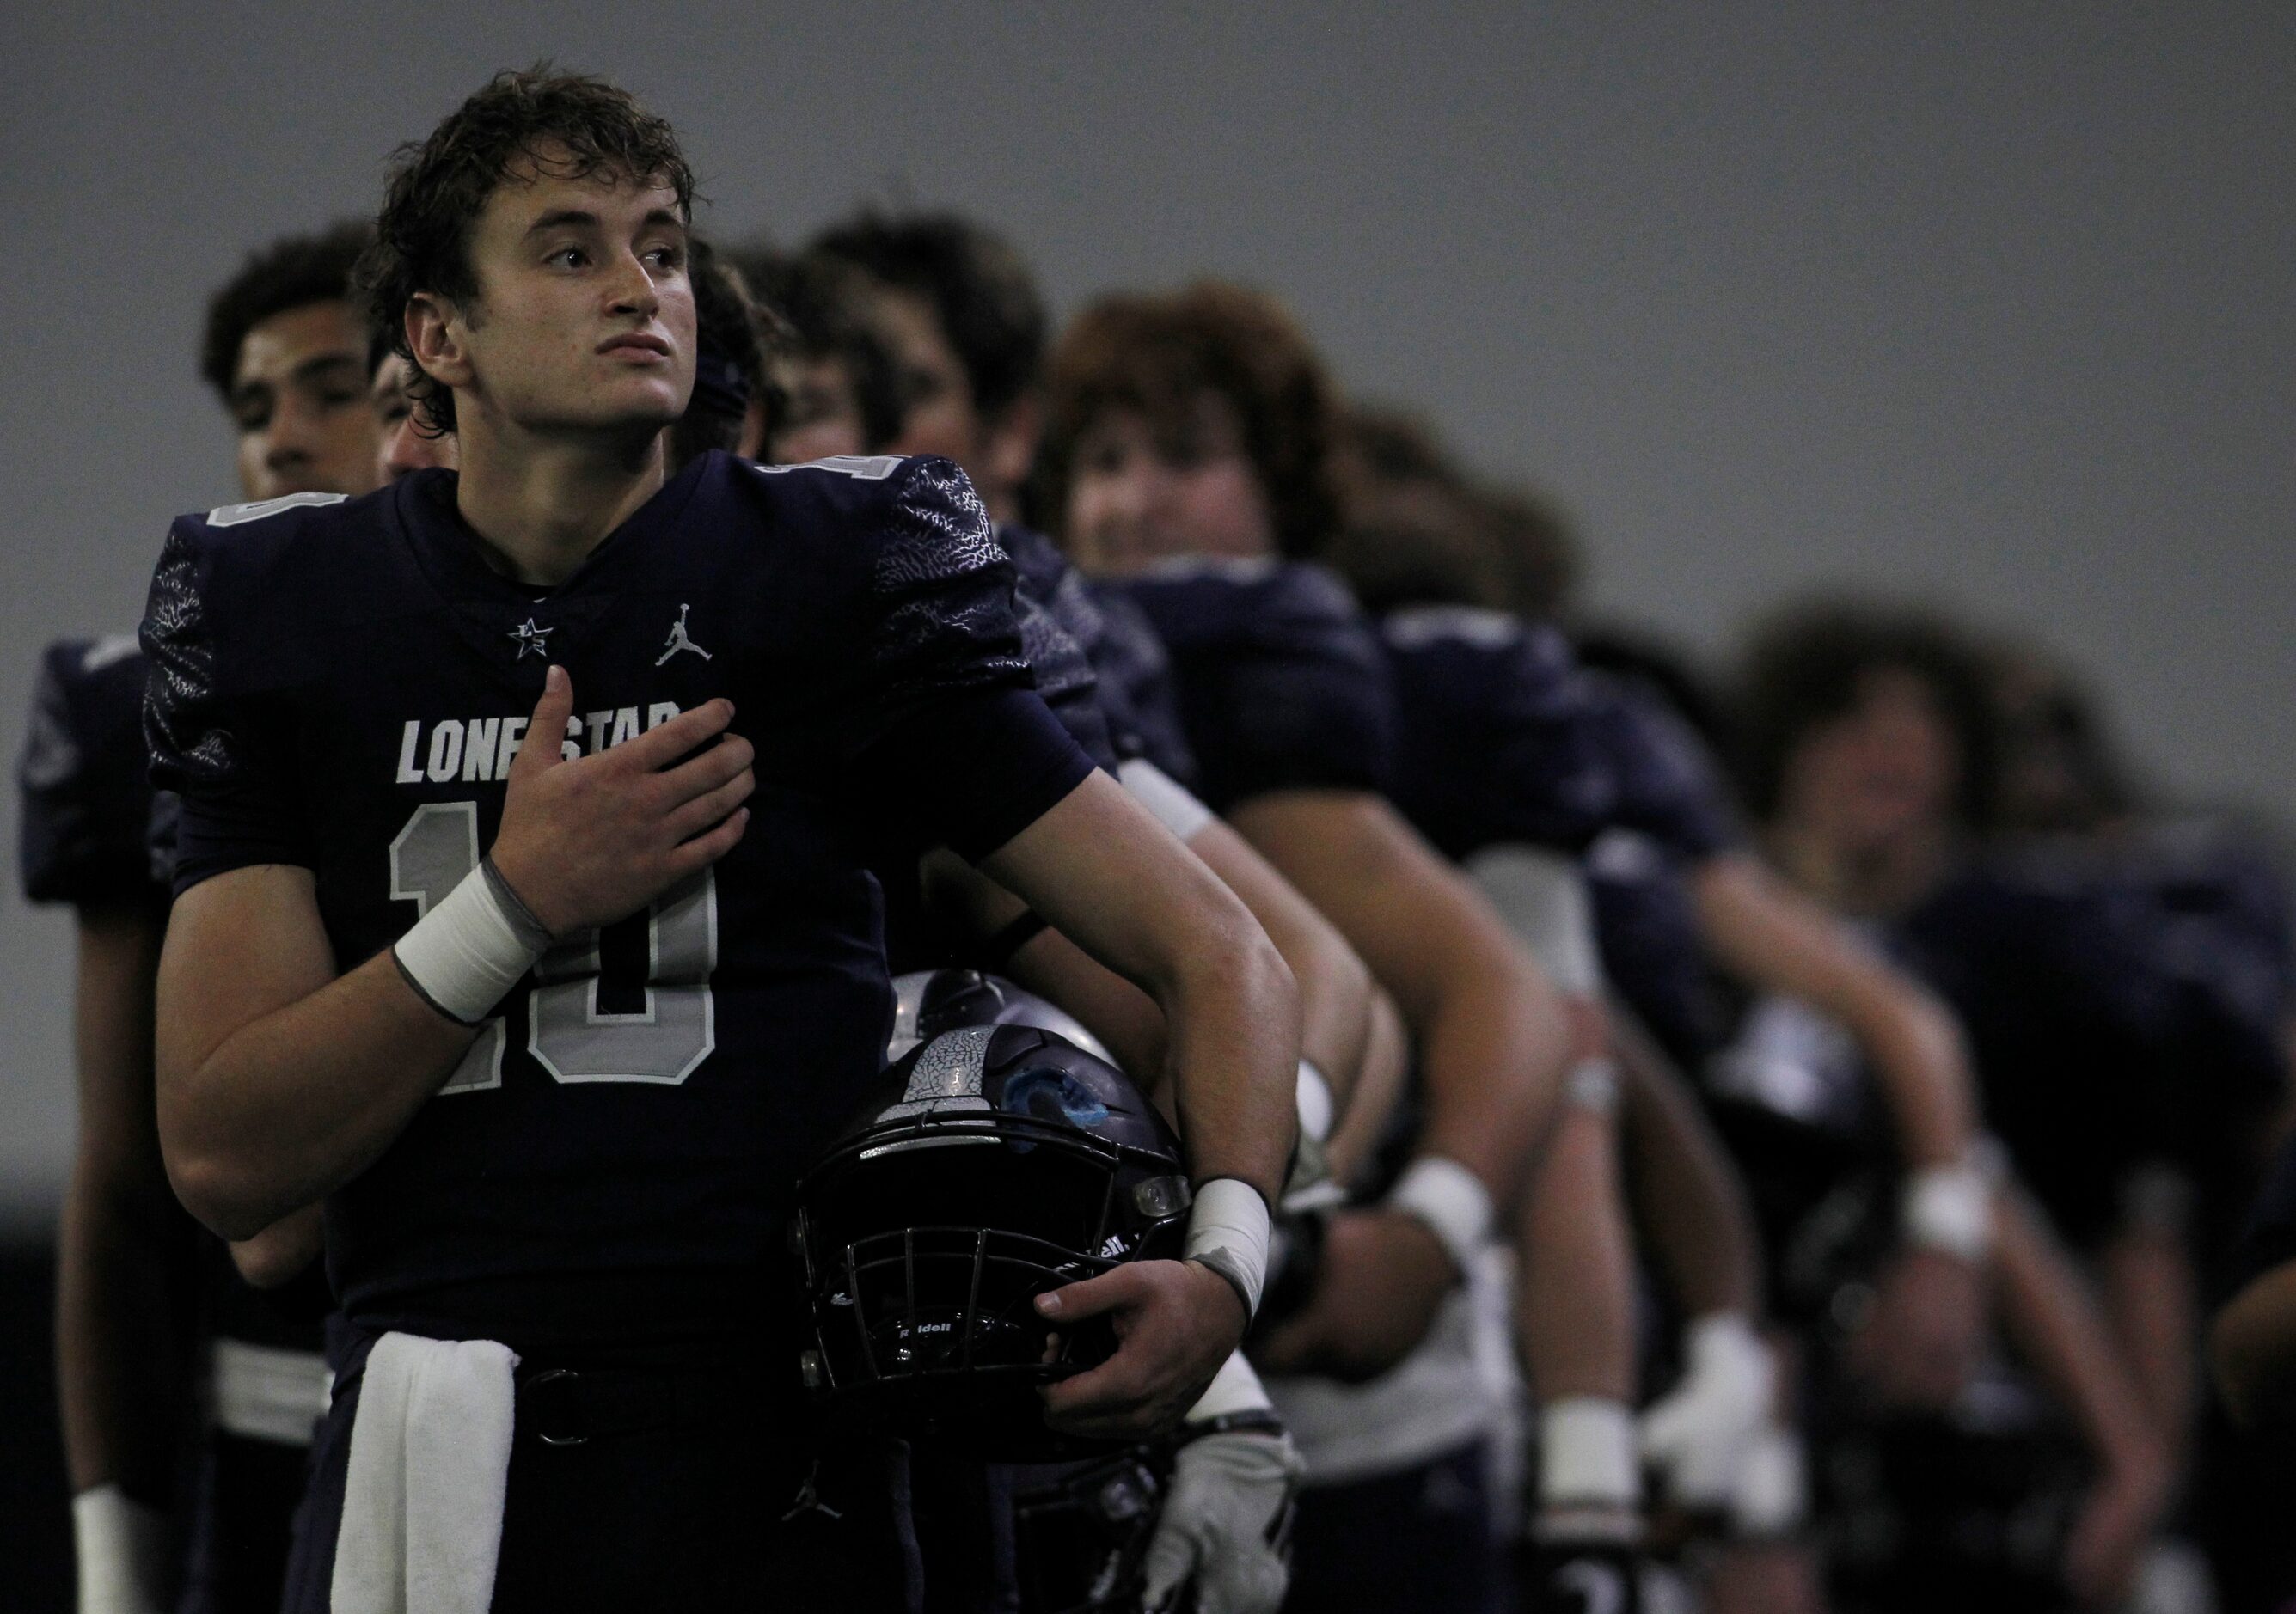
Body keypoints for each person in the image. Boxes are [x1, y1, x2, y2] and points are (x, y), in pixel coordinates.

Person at [143, 69, 1300, 1611]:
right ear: (438, 336)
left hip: (788, 1463)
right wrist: (514, 902)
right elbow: (224, 1159)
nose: (641, 289)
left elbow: (1221, 949)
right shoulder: (289, 609)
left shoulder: (837, 571)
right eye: (570, 250)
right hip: (443, 1459)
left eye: (665, 246)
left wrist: (1227, 1272)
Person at [1043, 280, 1574, 1614]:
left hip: (1346, 1411)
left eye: (1186, 455)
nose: (1135, 501)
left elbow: (1515, 1005)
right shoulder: (1033, 645)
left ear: (1285, 489)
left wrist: (1429, 1231)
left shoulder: (1260, 656)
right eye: (1102, 461)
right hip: (1135, 1386)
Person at [21, 220, 380, 1614]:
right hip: (273, 1446)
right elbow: (125, 1188)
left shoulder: (563, 656)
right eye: (252, 408)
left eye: (329, 387)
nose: (285, 436)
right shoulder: (155, 708)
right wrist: (117, 1568)